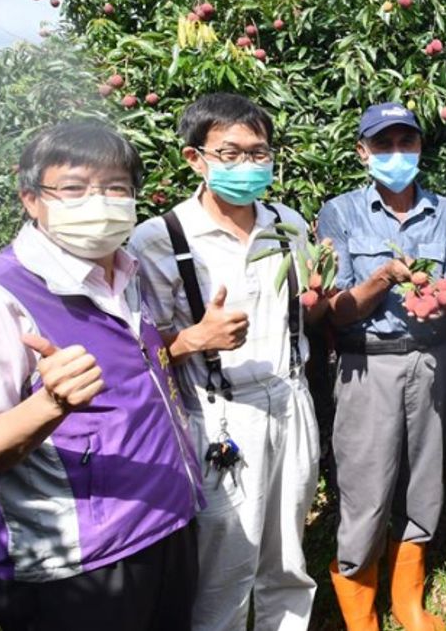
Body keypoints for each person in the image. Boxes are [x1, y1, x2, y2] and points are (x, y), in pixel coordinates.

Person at [0, 121, 202, 630]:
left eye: (116, 188)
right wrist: (49, 405)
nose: (100, 201)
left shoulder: (126, 274)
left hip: (165, 526)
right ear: (31, 199)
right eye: (73, 188)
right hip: (80, 564)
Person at [128, 93, 323, 631]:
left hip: (290, 398)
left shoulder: (289, 223)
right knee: (225, 566)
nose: (248, 166)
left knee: (288, 557)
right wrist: (192, 339)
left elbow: (307, 304)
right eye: (230, 154)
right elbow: (139, 354)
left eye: (258, 153)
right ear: (196, 159)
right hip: (218, 415)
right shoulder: (159, 239)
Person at [317, 101, 446, 631]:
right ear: (363, 152)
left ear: (421, 148)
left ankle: (408, 600)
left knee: (424, 482)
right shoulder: (339, 213)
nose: (396, 154)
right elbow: (333, 309)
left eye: (407, 143)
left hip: (429, 362)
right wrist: (382, 278)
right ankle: (361, 612)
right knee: (365, 485)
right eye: (384, 145)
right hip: (367, 364)